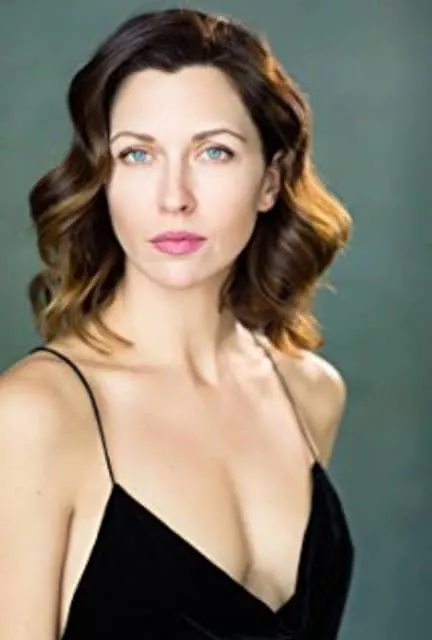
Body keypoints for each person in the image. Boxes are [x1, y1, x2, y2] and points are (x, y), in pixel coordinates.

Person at [0, 7, 355, 639]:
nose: (174, 197)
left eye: (214, 152)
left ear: (270, 180)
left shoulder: (312, 393)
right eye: (137, 154)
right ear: (102, 178)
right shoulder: (35, 417)